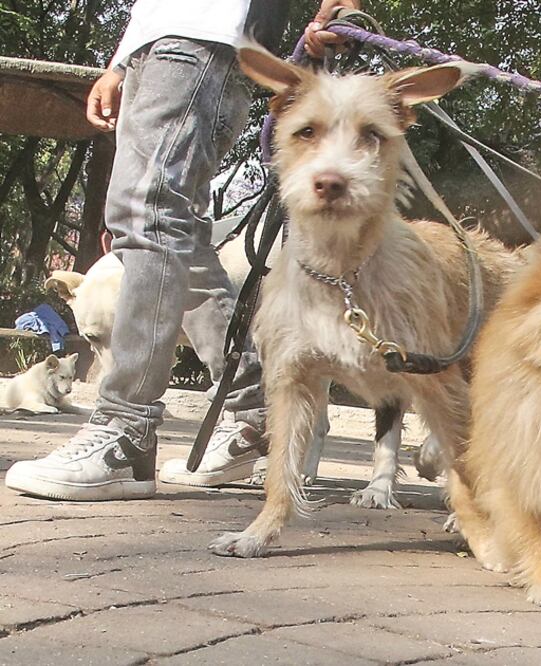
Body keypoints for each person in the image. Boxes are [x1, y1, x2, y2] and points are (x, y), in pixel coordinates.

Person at [5, 0, 357, 501]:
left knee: (148, 215)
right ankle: (258, 418)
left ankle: (126, 430)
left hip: (204, 37)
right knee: (166, 229)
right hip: (162, 41)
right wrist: (123, 59)